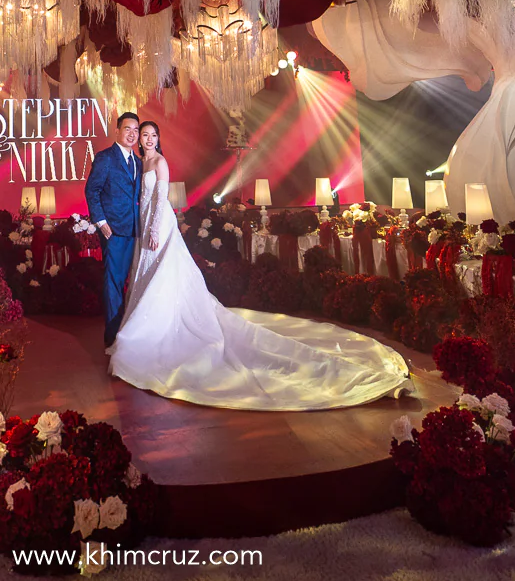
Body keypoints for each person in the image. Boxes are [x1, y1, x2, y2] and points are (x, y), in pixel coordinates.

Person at [109, 120, 411, 410]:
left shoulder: (159, 162)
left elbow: (161, 200)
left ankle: (155, 333)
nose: (146, 139)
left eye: (150, 134)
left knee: (163, 275)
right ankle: (150, 327)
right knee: (148, 276)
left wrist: (152, 230)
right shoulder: (140, 163)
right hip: (144, 225)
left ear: (158, 138)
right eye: (142, 134)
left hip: (158, 227)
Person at [83, 111, 142, 349]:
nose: (132, 134)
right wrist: (101, 222)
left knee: (131, 282)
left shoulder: (138, 161)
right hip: (114, 230)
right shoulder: (105, 158)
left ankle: (128, 333)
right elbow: (92, 190)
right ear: (117, 131)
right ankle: (112, 338)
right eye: (127, 129)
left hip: (135, 229)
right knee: (114, 283)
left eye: (136, 130)